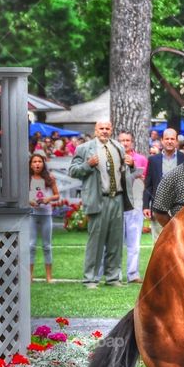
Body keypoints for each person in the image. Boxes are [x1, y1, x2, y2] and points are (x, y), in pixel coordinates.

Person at [68, 119, 134, 288]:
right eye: (101, 128)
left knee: (116, 241)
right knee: (95, 241)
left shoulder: (118, 147)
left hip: (118, 198)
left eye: (107, 128)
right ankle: (90, 279)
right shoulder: (84, 148)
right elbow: (73, 171)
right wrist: (88, 165)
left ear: (111, 130)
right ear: (95, 130)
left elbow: (124, 172)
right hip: (99, 198)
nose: (104, 131)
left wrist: (131, 165)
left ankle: (113, 278)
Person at [118, 131, 147, 283]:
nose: (125, 143)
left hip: (135, 202)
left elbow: (145, 178)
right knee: (116, 242)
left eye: (127, 140)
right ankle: (115, 274)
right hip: (117, 203)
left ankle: (133, 274)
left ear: (132, 142)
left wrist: (134, 166)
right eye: (122, 140)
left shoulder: (140, 158)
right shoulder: (114, 158)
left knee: (134, 242)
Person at [144, 128, 184, 238]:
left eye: (172, 139)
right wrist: (146, 206)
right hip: (159, 208)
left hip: (179, 208)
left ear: (176, 141)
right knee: (159, 243)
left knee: (179, 241)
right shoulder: (153, 160)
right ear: (162, 140)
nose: (169, 141)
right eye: (167, 138)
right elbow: (148, 184)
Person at [28, 153, 59, 283]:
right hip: (32, 215)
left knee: (47, 246)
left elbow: (57, 195)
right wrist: (29, 201)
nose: (37, 164)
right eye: (34, 161)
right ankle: (29, 276)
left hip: (46, 215)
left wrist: (48, 198)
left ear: (43, 163)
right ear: (30, 165)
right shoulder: (27, 179)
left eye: (39, 161)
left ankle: (49, 277)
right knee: (31, 245)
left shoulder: (49, 178)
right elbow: (23, 197)